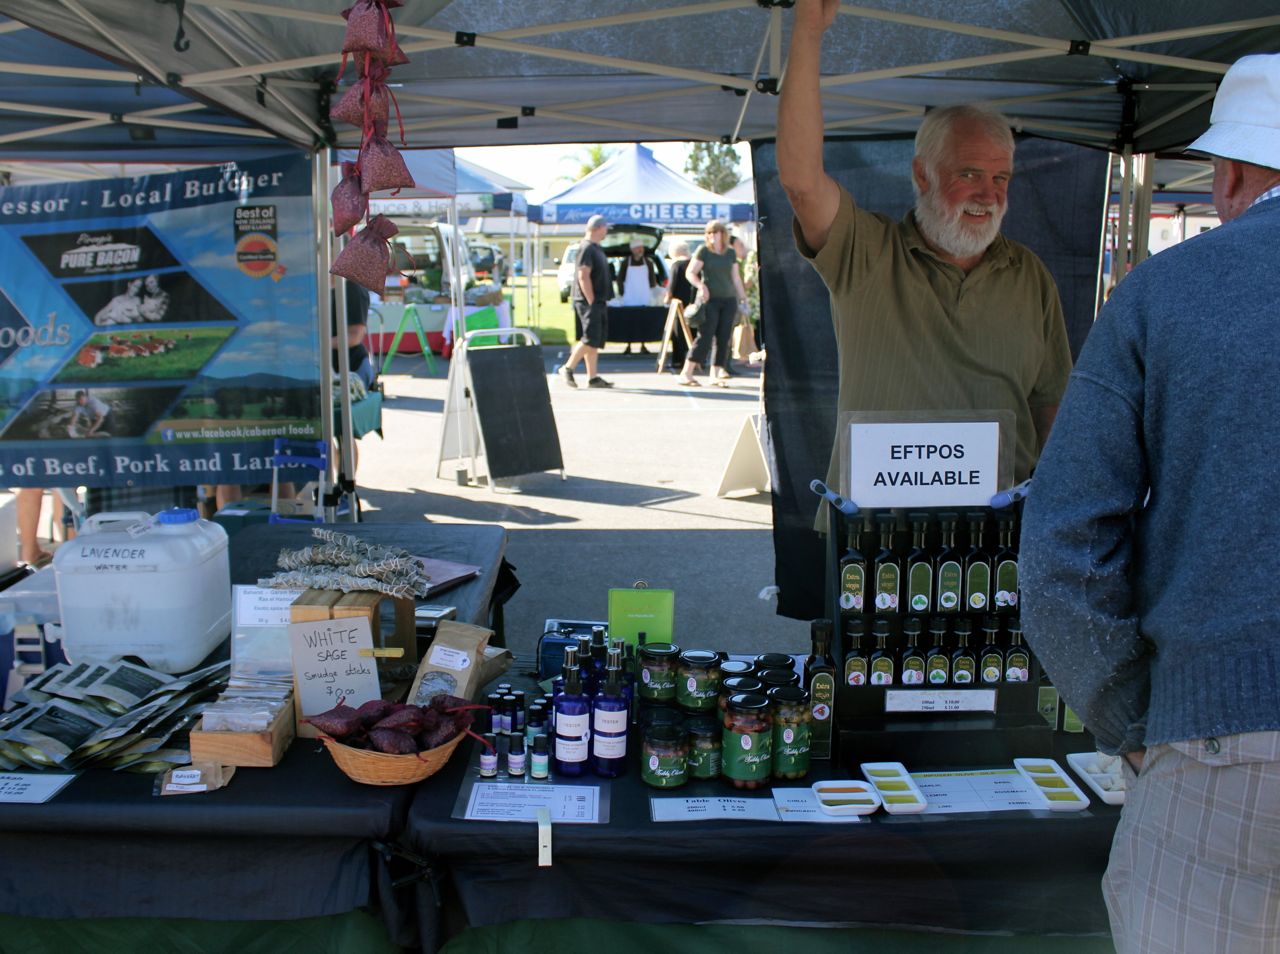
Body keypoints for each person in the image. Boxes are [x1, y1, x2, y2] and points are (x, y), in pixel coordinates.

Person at [1020, 53, 1280, 954]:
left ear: (1233, 173)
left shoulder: (1167, 291)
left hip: (1220, 749)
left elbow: (1060, 551)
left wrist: (1137, 722)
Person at [778, 0, 1071, 512]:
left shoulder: (1028, 274)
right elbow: (803, 183)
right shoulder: (867, 253)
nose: (988, 194)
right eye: (968, 174)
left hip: (999, 533)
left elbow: (1052, 404)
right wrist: (808, 31)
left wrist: (1057, 512)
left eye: (1000, 178)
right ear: (922, 174)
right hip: (876, 535)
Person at [678, 219, 747, 387]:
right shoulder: (704, 251)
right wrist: (701, 286)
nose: (712, 235)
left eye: (715, 232)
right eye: (709, 232)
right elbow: (690, 272)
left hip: (729, 300)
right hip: (710, 300)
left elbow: (736, 277)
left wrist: (743, 298)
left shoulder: (730, 253)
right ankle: (686, 373)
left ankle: (715, 375)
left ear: (723, 234)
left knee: (724, 338)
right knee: (705, 336)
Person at [558, 214, 614, 389]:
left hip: (598, 300)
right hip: (588, 301)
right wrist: (591, 300)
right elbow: (583, 275)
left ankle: (593, 378)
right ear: (598, 228)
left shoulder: (596, 248)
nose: (606, 231)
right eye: (605, 228)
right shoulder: (587, 248)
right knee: (590, 338)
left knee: (594, 339)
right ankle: (568, 368)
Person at [331, 277, 374, 389]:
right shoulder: (314, 286)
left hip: (352, 368)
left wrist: (317, 345)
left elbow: (354, 336)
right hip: (323, 369)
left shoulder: (353, 287)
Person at [662, 241, 696, 372]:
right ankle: (695, 360)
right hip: (693, 304)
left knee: (678, 334)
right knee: (693, 332)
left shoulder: (676, 265)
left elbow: (672, 285)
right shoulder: (694, 263)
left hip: (679, 304)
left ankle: (678, 361)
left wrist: (667, 299)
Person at [729, 234, 760, 364]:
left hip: (752, 298)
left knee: (753, 327)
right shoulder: (739, 259)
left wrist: (741, 290)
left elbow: (749, 280)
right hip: (748, 297)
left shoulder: (750, 256)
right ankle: (748, 355)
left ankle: (754, 356)